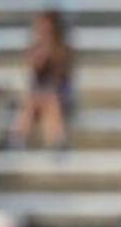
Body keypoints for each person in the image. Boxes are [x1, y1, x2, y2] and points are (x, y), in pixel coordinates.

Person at [14, 8, 75, 148]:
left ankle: (57, 140)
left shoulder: (64, 50)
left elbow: (60, 79)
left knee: (51, 100)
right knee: (33, 101)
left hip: (59, 96)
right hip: (38, 96)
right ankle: (18, 139)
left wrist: (50, 55)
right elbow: (32, 71)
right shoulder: (34, 49)